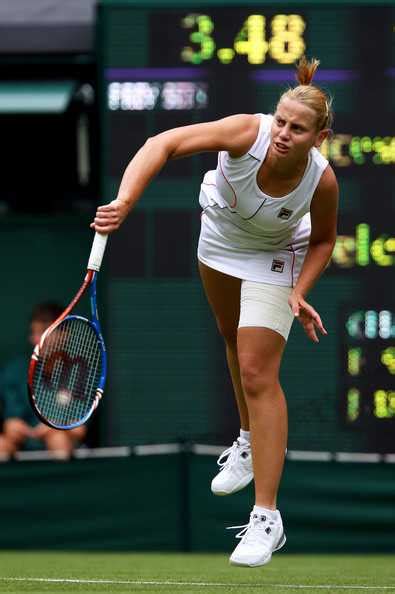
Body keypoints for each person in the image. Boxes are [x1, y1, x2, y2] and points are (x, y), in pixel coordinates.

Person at [91, 57, 338, 567]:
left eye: (299, 129)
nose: (284, 135)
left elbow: (326, 238)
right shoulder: (245, 132)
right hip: (221, 239)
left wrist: (299, 291)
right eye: (283, 123)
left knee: (257, 370)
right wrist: (126, 200)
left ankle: (265, 518)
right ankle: (247, 440)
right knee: (230, 335)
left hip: (276, 254)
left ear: (320, 136)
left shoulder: (322, 180)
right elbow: (163, 144)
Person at [0, 302, 86, 460]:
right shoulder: (14, 372)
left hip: (61, 442)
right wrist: (12, 426)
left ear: (63, 335)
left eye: (43, 332)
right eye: (34, 333)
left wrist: (54, 428)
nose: (36, 340)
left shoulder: (80, 372)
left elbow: (80, 430)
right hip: (21, 444)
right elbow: (10, 421)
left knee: (58, 440)